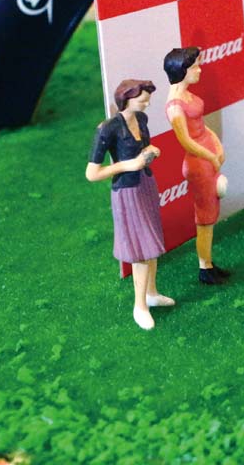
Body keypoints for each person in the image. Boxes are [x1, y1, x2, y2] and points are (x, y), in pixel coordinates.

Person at [85, 79, 173, 330]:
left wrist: (150, 151)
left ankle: (151, 293)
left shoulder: (142, 119)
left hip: (146, 184)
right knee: (140, 250)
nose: (147, 104)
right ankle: (139, 306)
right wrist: (128, 165)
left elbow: (143, 148)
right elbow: (92, 173)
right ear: (127, 99)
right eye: (143, 100)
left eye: (147, 99)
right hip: (127, 192)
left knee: (151, 243)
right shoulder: (107, 128)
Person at [163, 47, 229, 285]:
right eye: (194, 67)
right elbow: (187, 142)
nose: (199, 70)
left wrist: (217, 146)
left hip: (208, 157)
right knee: (205, 218)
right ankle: (204, 267)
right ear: (181, 71)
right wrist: (211, 156)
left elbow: (202, 126)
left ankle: (208, 262)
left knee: (210, 215)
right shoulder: (175, 106)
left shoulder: (188, 96)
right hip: (198, 164)